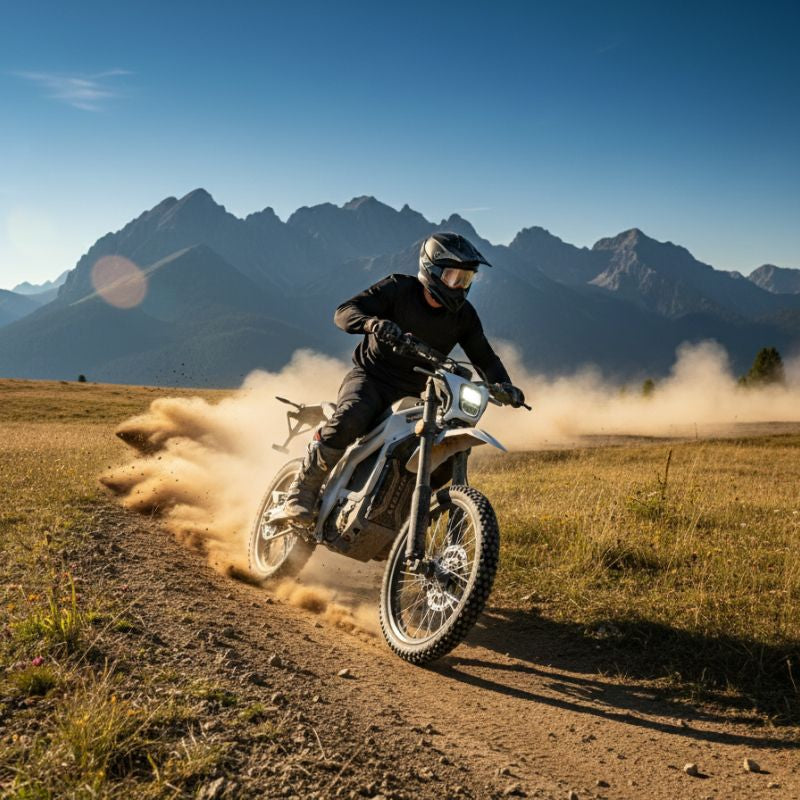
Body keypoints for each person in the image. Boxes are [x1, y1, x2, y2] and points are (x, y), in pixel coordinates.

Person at [282, 231, 525, 522]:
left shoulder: (465, 316)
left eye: (466, 279)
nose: (460, 286)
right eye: (453, 277)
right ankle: (302, 490)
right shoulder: (398, 288)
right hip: (370, 379)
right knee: (352, 416)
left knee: (444, 449)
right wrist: (373, 324)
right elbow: (344, 312)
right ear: (432, 270)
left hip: (417, 395)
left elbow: (484, 357)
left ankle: (403, 517)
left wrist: (505, 385)